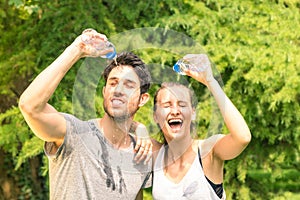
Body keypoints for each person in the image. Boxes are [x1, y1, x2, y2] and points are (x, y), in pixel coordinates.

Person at [18, 29, 153, 200]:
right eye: (113, 83)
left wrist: (140, 128)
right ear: (105, 92)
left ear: (142, 99)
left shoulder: (141, 154)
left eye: (128, 85)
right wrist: (77, 49)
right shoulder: (75, 133)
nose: (118, 90)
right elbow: (29, 106)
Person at [151, 54, 252, 199]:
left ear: (193, 113)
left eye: (182, 104)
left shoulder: (207, 151)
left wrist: (210, 81)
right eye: (167, 105)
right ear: (156, 116)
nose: (175, 111)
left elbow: (242, 137)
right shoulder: (155, 154)